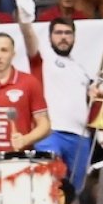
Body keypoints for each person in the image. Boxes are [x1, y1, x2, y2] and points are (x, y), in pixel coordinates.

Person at [19, 15, 90, 175]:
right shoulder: (44, 59)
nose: (63, 37)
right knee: (50, 182)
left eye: (68, 33)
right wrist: (23, 13)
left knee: (76, 190)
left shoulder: (81, 70)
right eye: (58, 33)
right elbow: (27, 34)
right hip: (51, 132)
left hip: (80, 135)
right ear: (50, 37)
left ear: (74, 37)